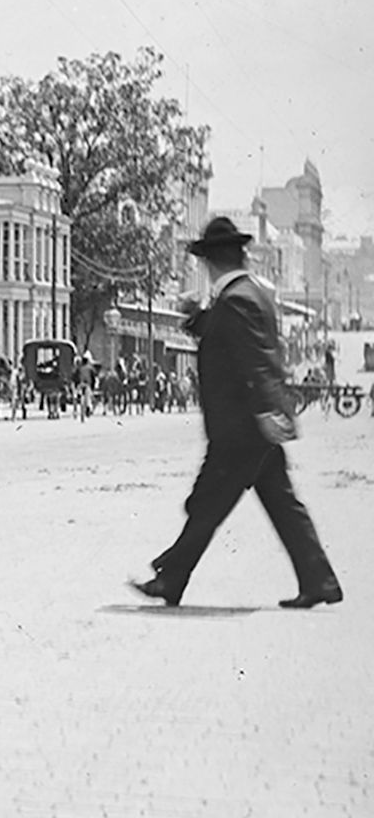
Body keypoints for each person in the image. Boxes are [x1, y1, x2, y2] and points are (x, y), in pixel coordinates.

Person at [131, 217, 342, 610]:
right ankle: (320, 580)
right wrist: (198, 319)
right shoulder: (250, 294)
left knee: (206, 503)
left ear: (209, 261)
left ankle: (171, 577)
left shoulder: (236, 299)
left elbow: (254, 361)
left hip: (242, 428)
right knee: (279, 503)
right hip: (251, 428)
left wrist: (263, 412)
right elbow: (232, 339)